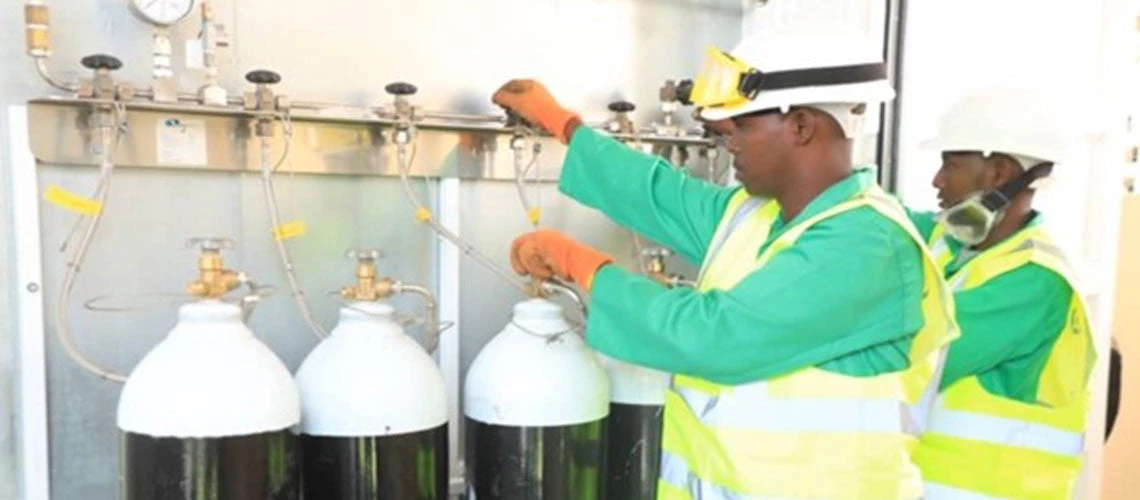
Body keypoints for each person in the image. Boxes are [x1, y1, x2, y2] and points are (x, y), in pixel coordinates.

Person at [493, 30, 958, 500]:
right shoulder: (757, 214)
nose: (728, 144)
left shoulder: (866, 246)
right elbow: (657, 195)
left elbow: (713, 336)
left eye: (742, 128)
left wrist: (580, 262)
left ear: (800, 126)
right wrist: (562, 124)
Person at [904, 87, 1099, 499]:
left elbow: (908, 356)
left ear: (1000, 174)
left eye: (950, 163)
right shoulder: (946, 243)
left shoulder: (1034, 282)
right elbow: (873, 217)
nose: (937, 180)